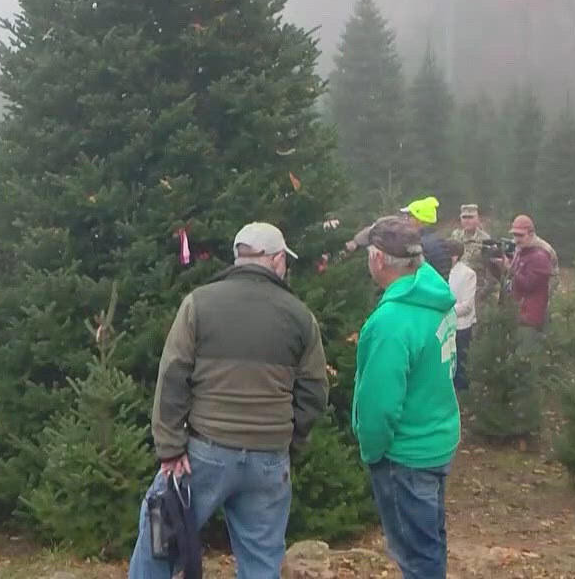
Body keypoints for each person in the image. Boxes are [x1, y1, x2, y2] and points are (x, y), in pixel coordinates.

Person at [128, 222, 328, 579]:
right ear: (278, 259)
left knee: (159, 537)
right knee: (262, 560)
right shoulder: (300, 315)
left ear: (239, 257)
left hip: (205, 453)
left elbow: (174, 375)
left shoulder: (199, 303)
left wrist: (171, 447)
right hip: (269, 458)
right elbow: (313, 391)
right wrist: (287, 442)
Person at [352, 216, 460, 579]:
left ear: (379, 260)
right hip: (437, 438)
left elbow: (379, 404)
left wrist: (373, 450)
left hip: (405, 456)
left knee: (416, 557)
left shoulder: (392, 322)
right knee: (430, 545)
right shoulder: (435, 296)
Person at [506, 215, 556, 356]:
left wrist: (509, 268)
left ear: (532, 234)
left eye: (520, 235)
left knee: (525, 357)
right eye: (515, 235)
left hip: (529, 317)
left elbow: (528, 285)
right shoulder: (521, 253)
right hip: (518, 313)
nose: (516, 239)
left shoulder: (539, 257)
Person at [443, 240, 478, 392]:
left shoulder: (467, 274)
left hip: (460, 327)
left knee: (460, 367)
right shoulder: (440, 271)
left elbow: (467, 306)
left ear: (454, 256)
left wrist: (443, 311)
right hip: (442, 327)